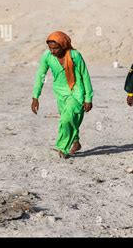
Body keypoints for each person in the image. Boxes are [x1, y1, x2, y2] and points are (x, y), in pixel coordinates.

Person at [31, 31, 93, 159]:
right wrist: (35, 96)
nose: (53, 51)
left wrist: (88, 98)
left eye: (56, 48)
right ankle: (75, 142)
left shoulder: (75, 55)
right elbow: (40, 76)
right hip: (59, 93)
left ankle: (62, 147)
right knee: (69, 119)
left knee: (66, 118)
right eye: (50, 48)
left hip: (76, 92)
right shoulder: (47, 56)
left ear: (64, 46)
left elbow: (85, 76)